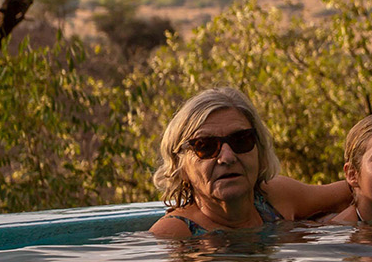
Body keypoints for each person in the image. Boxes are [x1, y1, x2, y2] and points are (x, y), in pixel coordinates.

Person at [149, 87, 357, 238]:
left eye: (241, 140)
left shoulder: (275, 197)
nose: (227, 157)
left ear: (259, 149)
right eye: (205, 146)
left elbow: (361, 191)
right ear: (180, 165)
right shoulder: (174, 234)